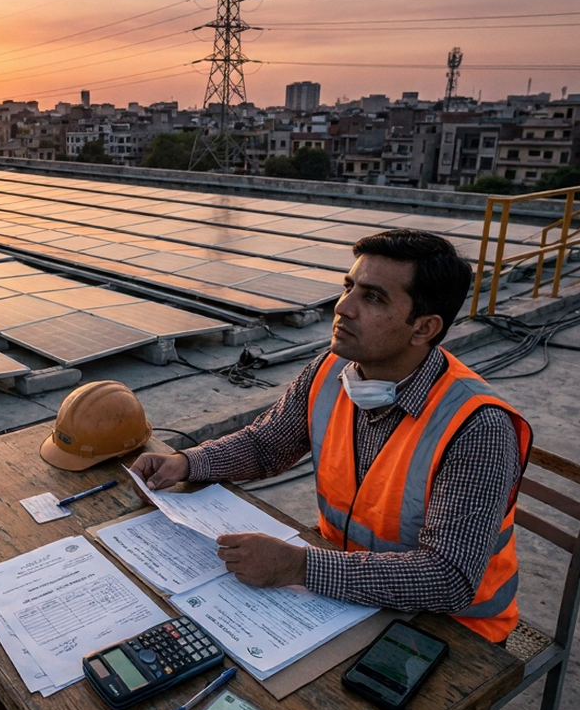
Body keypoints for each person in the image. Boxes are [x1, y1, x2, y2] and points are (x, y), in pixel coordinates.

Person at [131, 229, 532, 643]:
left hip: (452, 628)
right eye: (348, 287)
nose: (343, 307)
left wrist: (300, 567)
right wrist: (189, 462)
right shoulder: (331, 370)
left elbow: (448, 577)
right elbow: (267, 444)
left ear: (424, 328)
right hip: (346, 590)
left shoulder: (477, 427)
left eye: (373, 297)